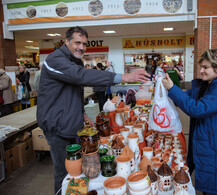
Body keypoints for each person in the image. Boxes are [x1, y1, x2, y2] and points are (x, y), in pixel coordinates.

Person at [36, 26, 150, 195]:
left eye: (84, 44)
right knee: (64, 174)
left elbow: (72, 93)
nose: (81, 47)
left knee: (77, 171)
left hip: (71, 124)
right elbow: (80, 76)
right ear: (66, 42)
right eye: (77, 42)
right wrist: (123, 77)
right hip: (56, 127)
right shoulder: (55, 60)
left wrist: (80, 114)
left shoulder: (75, 61)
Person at [162, 49, 217, 194]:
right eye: (201, 67)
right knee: (209, 186)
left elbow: (197, 109)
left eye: (205, 67)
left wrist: (172, 89)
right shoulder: (206, 86)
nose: (201, 71)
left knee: (216, 187)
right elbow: (185, 99)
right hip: (207, 145)